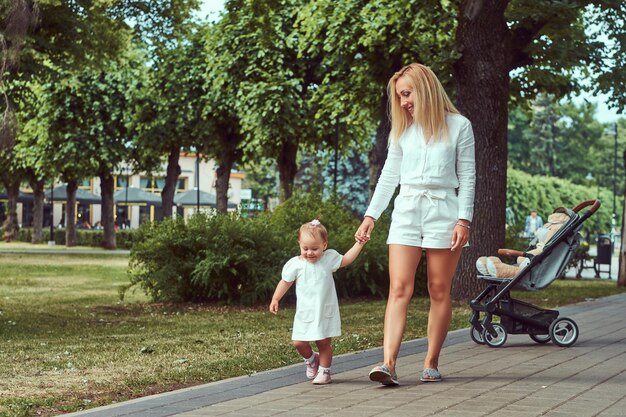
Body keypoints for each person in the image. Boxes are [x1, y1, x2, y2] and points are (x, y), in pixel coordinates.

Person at [355, 63, 475, 385]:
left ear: (425, 88)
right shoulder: (403, 132)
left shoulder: (459, 126)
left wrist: (463, 220)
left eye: (407, 94)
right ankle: (388, 364)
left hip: (444, 212)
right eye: (400, 97)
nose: (404, 102)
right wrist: (371, 216)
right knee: (398, 288)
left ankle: (431, 361)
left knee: (438, 288)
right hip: (406, 210)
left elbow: (467, 176)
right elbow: (388, 177)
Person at [269, 219, 366, 385]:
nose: (310, 253)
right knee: (299, 342)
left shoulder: (328, 259)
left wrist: (359, 244)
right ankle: (312, 359)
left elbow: (346, 259)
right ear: (299, 244)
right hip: (305, 312)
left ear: (324, 245)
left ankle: (325, 371)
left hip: (324, 310)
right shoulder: (295, 264)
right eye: (305, 248)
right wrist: (276, 298)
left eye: (315, 248)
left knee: (324, 342)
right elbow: (285, 282)